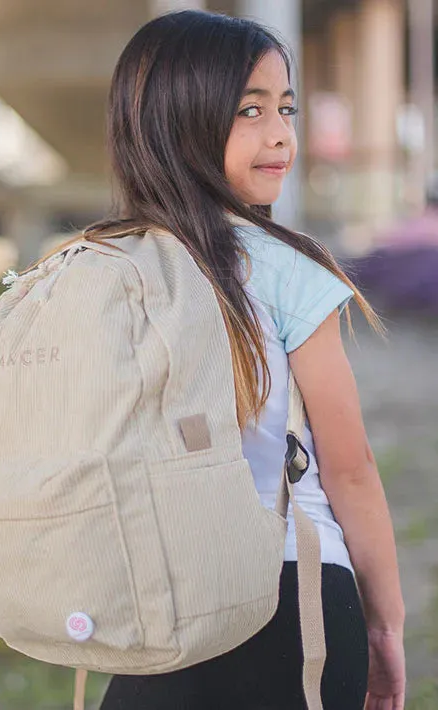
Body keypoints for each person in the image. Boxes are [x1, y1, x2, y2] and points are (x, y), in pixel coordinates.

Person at [82, 11, 405, 710]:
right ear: (177, 120)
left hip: (153, 596)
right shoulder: (285, 269)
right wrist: (385, 628)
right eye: (249, 110)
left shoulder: (96, 268)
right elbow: (349, 470)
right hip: (295, 598)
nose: (282, 133)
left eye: (285, 107)